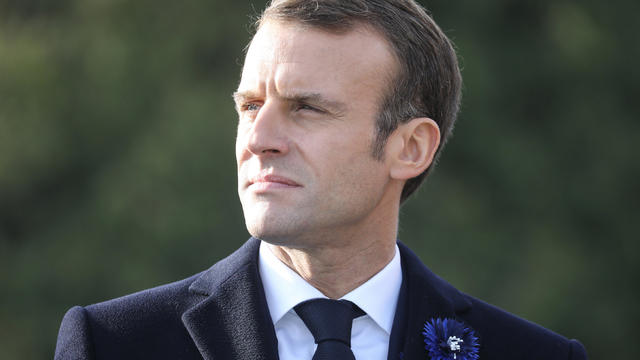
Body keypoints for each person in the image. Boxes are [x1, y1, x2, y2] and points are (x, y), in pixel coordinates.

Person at [55, 1, 587, 359]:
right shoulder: (112, 344)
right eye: (250, 105)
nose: (259, 138)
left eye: (306, 108)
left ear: (411, 147)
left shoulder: (531, 354)